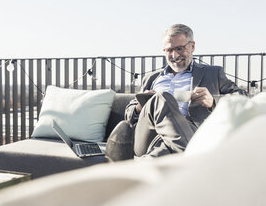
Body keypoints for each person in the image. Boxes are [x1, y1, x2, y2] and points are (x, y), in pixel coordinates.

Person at [106, 23, 247, 160]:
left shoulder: (212, 73)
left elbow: (243, 98)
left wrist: (213, 102)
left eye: (179, 48)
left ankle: (146, 167)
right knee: (161, 98)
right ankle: (196, 159)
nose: (174, 55)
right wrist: (142, 106)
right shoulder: (151, 78)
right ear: (164, 51)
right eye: (169, 50)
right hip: (148, 135)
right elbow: (128, 115)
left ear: (192, 46)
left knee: (162, 150)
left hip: (191, 132)